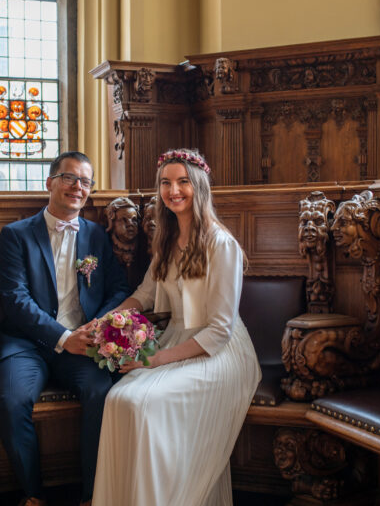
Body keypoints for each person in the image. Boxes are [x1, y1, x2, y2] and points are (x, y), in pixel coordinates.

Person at [92, 148, 261, 505]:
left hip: (219, 351)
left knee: (141, 404)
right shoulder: (166, 244)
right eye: (166, 183)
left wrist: (153, 361)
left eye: (183, 181)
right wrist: (105, 322)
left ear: (198, 185)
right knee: (119, 399)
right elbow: (144, 295)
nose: (174, 190)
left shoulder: (221, 244)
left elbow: (218, 331)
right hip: (176, 341)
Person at [0, 151, 131, 506]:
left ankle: (91, 496)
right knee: (12, 401)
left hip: (83, 342)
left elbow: (118, 288)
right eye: (70, 178)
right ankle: (33, 494)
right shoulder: (16, 235)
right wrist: (63, 337)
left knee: (103, 393)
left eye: (85, 181)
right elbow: (15, 299)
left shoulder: (98, 236)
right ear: (50, 183)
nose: (77, 187)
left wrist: (96, 327)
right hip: (27, 342)